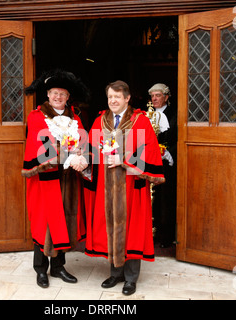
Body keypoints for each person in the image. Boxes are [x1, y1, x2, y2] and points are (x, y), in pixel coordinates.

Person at [83, 80, 165, 295]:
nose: (113, 101)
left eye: (117, 97)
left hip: (131, 186)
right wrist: (80, 159)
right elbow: (90, 150)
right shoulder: (100, 120)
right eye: (110, 97)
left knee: (133, 229)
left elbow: (149, 152)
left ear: (127, 98)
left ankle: (130, 278)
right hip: (106, 185)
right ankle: (115, 273)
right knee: (111, 225)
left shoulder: (140, 121)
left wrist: (124, 161)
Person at [22, 69, 89, 288]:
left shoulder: (75, 117)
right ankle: (40, 269)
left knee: (64, 219)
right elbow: (38, 145)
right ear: (48, 94)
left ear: (68, 97)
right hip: (46, 176)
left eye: (62, 93)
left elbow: (83, 143)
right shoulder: (36, 116)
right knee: (44, 221)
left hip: (68, 178)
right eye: (54, 93)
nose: (58, 97)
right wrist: (66, 155)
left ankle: (58, 266)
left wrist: (82, 157)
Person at [148, 83, 177, 248]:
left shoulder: (174, 114)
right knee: (150, 198)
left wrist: (166, 151)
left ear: (166, 97)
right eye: (152, 96)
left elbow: (178, 136)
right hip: (148, 162)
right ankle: (150, 232)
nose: (154, 99)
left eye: (158, 95)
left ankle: (165, 236)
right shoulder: (147, 114)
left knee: (165, 198)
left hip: (166, 162)